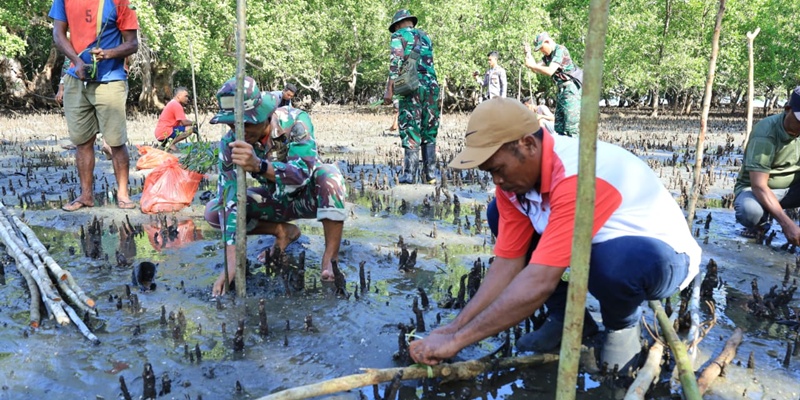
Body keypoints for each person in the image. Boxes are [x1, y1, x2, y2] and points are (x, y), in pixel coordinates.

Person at [409, 98, 700, 374]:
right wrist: (454, 328)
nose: (496, 180)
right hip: (592, 247)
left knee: (609, 263)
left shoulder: (579, 175)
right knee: (497, 210)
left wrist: (458, 342)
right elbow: (508, 265)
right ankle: (567, 319)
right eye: (489, 173)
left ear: (527, 144)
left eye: (497, 169)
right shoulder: (513, 183)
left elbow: (539, 281)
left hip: (662, 259)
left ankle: (622, 326)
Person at [204, 77, 347, 297]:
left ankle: (330, 260)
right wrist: (231, 263)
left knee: (330, 176)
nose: (239, 131)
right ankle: (282, 231)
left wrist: (258, 165)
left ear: (266, 116)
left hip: (307, 197)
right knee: (215, 211)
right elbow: (228, 197)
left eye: (247, 124)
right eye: (233, 125)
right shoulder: (229, 144)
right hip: (275, 201)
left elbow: (301, 174)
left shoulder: (296, 121)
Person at [50, 0, 139, 211]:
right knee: (82, 141)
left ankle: (123, 195)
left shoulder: (120, 2)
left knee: (116, 142)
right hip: (76, 78)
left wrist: (108, 53)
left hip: (111, 79)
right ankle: (86, 196)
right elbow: (58, 35)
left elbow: (133, 43)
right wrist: (77, 62)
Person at [734, 86, 800, 241]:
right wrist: (787, 224)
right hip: (757, 191)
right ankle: (760, 225)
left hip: (793, 189)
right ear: (787, 109)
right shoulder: (766, 132)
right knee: (750, 212)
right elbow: (759, 186)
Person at [383, 9, 440, 185]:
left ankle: (409, 174)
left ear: (398, 24)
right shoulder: (426, 37)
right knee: (429, 128)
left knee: (410, 127)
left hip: (411, 87)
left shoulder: (398, 36)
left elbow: (396, 63)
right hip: (431, 86)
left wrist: (389, 90)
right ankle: (430, 175)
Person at [524, 32, 582, 137]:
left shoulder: (560, 50)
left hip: (570, 89)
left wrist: (532, 65)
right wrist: (528, 55)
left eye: (542, 48)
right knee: (559, 127)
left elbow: (550, 70)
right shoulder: (547, 56)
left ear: (547, 42)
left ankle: (574, 149)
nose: (542, 51)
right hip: (561, 91)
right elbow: (535, 69)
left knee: (571, 126)